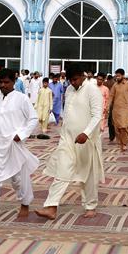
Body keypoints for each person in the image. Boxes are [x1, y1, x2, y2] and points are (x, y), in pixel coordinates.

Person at [36, 69, 103, 221]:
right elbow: (68, 113)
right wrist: (63, 133)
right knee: (62, 169)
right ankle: (51, 207)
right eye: (70, 80)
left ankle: (90, 206)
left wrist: (86, 133)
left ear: (82, 76)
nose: (72, 82)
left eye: (75, 79)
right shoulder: (70, 90)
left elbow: (97, 115)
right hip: (68, 139)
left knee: (88, 175)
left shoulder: (92, 90)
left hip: (87, 140)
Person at [0, 69, 39, 224]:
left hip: (13, 146)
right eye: (1, 82)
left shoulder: (22, 99)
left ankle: (25, 203)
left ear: (14, 82)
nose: (3, 85)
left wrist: (21, 134)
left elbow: (33, 118)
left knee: (18, 179)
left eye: (6, 82)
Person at [109, 69, 128, 151]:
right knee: (117, 128)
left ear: (123, 76)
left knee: (124, 126)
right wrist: (107, 107)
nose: (117, 77)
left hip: (125, 109)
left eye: (119, 76)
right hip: (116, 110)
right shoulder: (115, 85)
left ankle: (124, 143)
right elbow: (111, 97)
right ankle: (120, 142)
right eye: (116, 76)